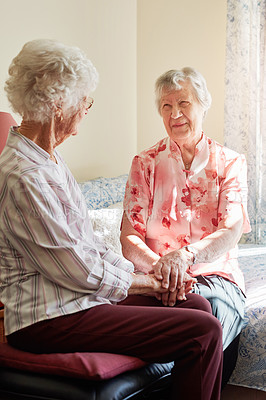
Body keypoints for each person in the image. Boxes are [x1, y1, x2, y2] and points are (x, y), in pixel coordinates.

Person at [0, 41, 222, 400]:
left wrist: (149, 278)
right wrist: (150, 285)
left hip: (78, 301)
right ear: (59, 105)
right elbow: (77, 269)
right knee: (202, 330)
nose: (86, 111)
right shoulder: (24, 176)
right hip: (49, 317)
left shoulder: (49, 162)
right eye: (84, 101)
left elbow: (90, 246)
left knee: (197, 306)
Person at [121, 67, 251, 386]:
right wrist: (164, 270)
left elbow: (231, 230)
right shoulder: (145, 162)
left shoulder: (230, 163)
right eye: (166, 106)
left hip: (215, 274)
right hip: (156, 277)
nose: (175, 113)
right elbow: (128, 238)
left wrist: (185, 258)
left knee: (213, 312)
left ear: (202, 104)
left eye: (184, 103)